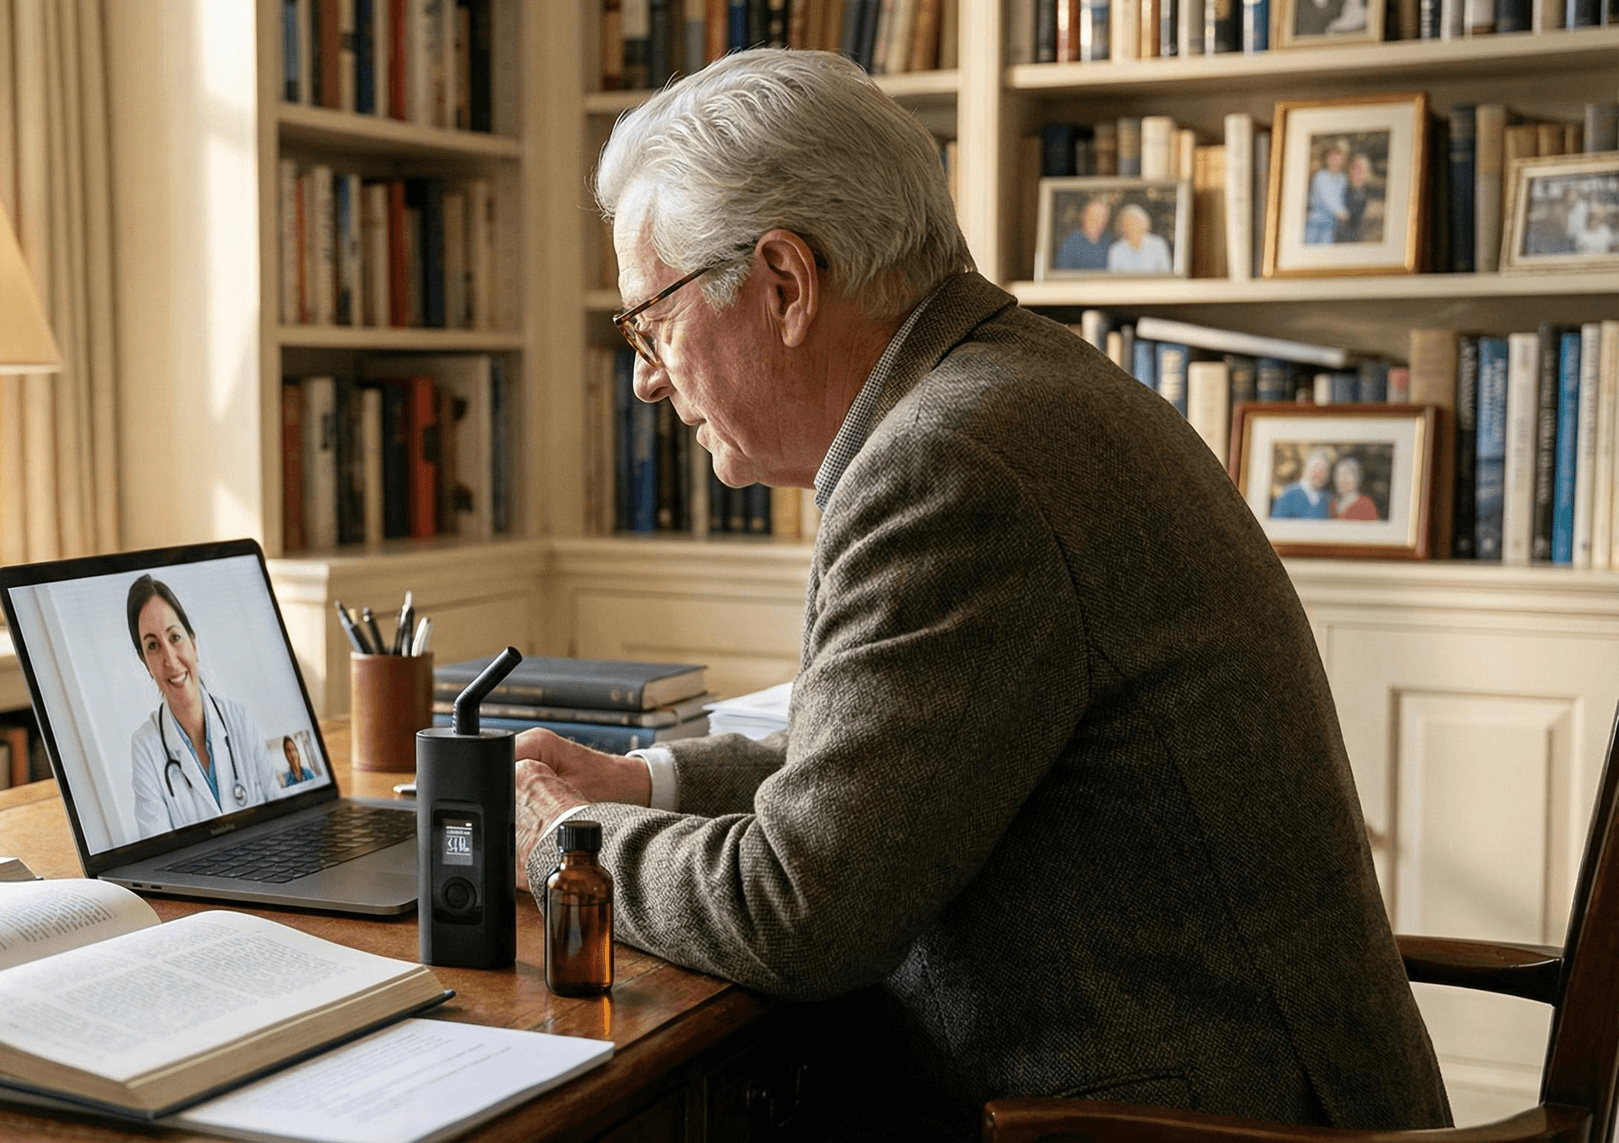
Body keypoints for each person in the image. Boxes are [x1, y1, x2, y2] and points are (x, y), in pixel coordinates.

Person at [517, 49, 1447, 1138]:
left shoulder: (951, 461)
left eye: (649, 320)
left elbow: (798, 912)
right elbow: (907, 757)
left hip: (1182, 1121)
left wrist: (568, 839)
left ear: (783, 284)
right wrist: (646, 780)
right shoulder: (1016, 388)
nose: (644, 373)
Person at [126, 574, 272, 836]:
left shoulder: (239, 719)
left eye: (175, 637)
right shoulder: (145, 747)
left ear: (193, 642)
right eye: (153, 646)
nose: (170, 659)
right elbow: (157, 847)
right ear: (145, 663)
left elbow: (281, 807)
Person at [1105, 202, 1173, 272]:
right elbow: (1114, 278)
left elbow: (1166, 274)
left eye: (1135, 223)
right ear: (1122, 228)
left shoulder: (1158, 244)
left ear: (1143, 223)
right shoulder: (1115, 250)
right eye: (1126, 224)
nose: (1131, 227)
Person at [1271, 447, 1336, 518]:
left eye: (1324, 470)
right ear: (1305, 468)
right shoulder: (1288, 496)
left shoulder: (1328, 500)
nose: (1319, 474)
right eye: (1315, 468)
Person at [1305, 143, 1350, 245]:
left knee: (1325, 248)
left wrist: (1342, 211)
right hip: (1315, 220)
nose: (1335, 162)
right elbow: (1326, 197)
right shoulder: (1320, 176)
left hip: (1331, 222)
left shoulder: (1343, 178)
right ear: (1326, 160)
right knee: (1309, 245)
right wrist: (1341, 212)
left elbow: (1340, 197)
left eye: (1338, 158)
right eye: (1332, 158)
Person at [1054, 196, 1112, 271]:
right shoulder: (1070, 243)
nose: (1097, 220)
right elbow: (1063, 275)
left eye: (1102, 216)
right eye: (1093, 215)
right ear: (1084, 216)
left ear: (1106, 221)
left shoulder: (1110, 241)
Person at [1337, 153, 1373, 244]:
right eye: (1354, 168)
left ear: (1367, 173)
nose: (1357, 172)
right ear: (1348, 170)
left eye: (1361, 169)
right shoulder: (1338, 192)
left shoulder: (1373, 198)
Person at [1332, 455, 1380, 521]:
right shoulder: (1331, 504)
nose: (1342, 479)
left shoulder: (1366, 505)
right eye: (1338, 474)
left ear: (1357, 478)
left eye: (1347, 474)